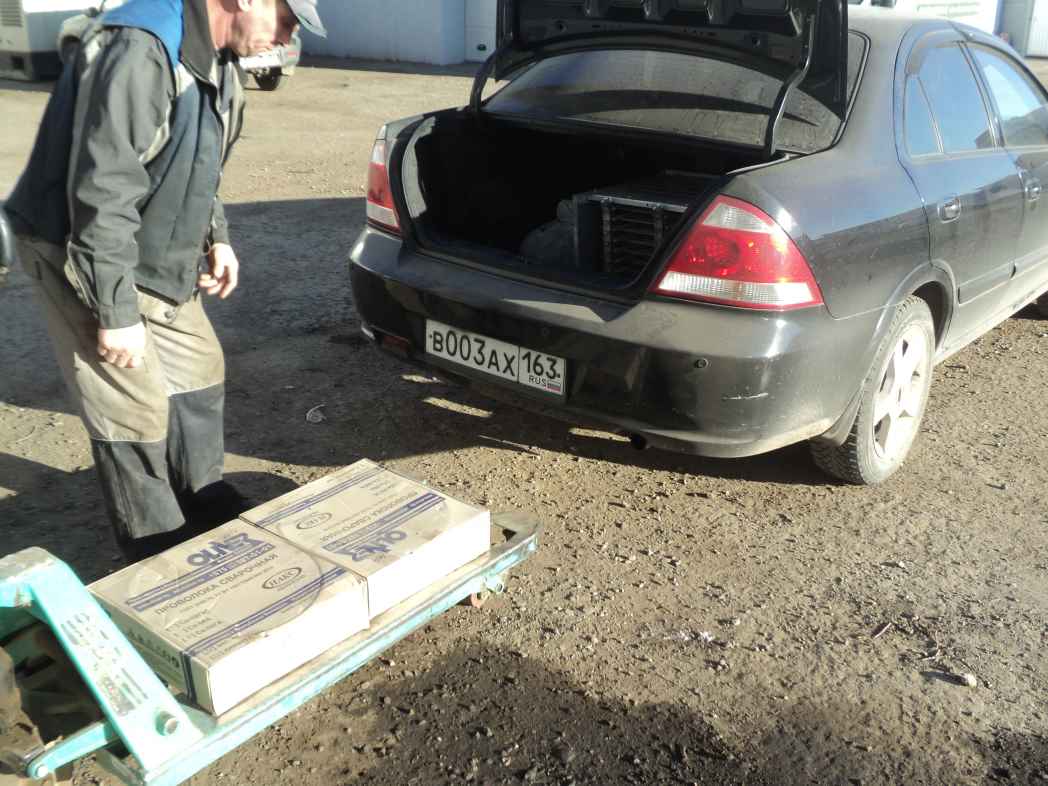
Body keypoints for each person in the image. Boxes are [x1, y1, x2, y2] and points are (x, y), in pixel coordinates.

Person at [4, 0, 326, 562]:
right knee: (132, 401)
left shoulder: (220, 58)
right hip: (79, 248)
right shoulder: (141, 47)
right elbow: (102, 190)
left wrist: (216, 236)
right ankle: (155, 541)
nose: (288, 36)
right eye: (287, 19)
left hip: (152, 246)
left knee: (199, 366)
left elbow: (200, 159)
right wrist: (116, 313)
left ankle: (202, 497)